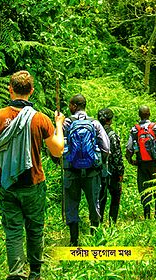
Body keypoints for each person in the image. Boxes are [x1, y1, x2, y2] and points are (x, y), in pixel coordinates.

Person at [0, 70, 65, 280]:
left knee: (13, 230)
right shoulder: (40, 119)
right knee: (35, 228)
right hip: (33, 183)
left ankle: (16, 273)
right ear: (32, 91)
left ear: (10, 90)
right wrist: (58, 125)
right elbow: (58, 150)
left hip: (6, 184)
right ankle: (35, 272)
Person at [63, 94, 110, 246]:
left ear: (74, 106)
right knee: (93, 202)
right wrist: (99, 163)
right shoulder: (95, 123)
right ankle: (94, 237)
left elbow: (58, 146)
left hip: (71, 171)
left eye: (70, 104)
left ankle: (73, 240)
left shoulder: (67, 123)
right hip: (92, 172)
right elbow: (106, 148)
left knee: (71, 204)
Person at [126, 105, 156, 219]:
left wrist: (130, 160)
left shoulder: (135, 129)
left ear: (139, 115)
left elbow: (129, 147)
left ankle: (146, 215)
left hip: (141, 163)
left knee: (144, 187)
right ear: (149, 114)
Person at [97, 108, 124, 224]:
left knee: (100, 197)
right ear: (110, 120)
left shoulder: (95, 132)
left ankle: (99, 221)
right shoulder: (112, 135)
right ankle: (112, 222)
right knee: (116, 195)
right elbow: (117, 156)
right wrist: (120, 172)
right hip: (112, 171)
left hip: (98, 170)